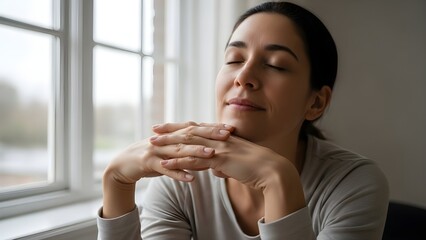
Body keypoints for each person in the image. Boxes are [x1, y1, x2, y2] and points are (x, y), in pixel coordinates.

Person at [97, 2, 389, 239]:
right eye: (235, 59)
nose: (243, 77)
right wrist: (116, 184)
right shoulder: (180, 176)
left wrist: (278, 181)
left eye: (276, 65)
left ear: (316, 102)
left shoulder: (353, 183)